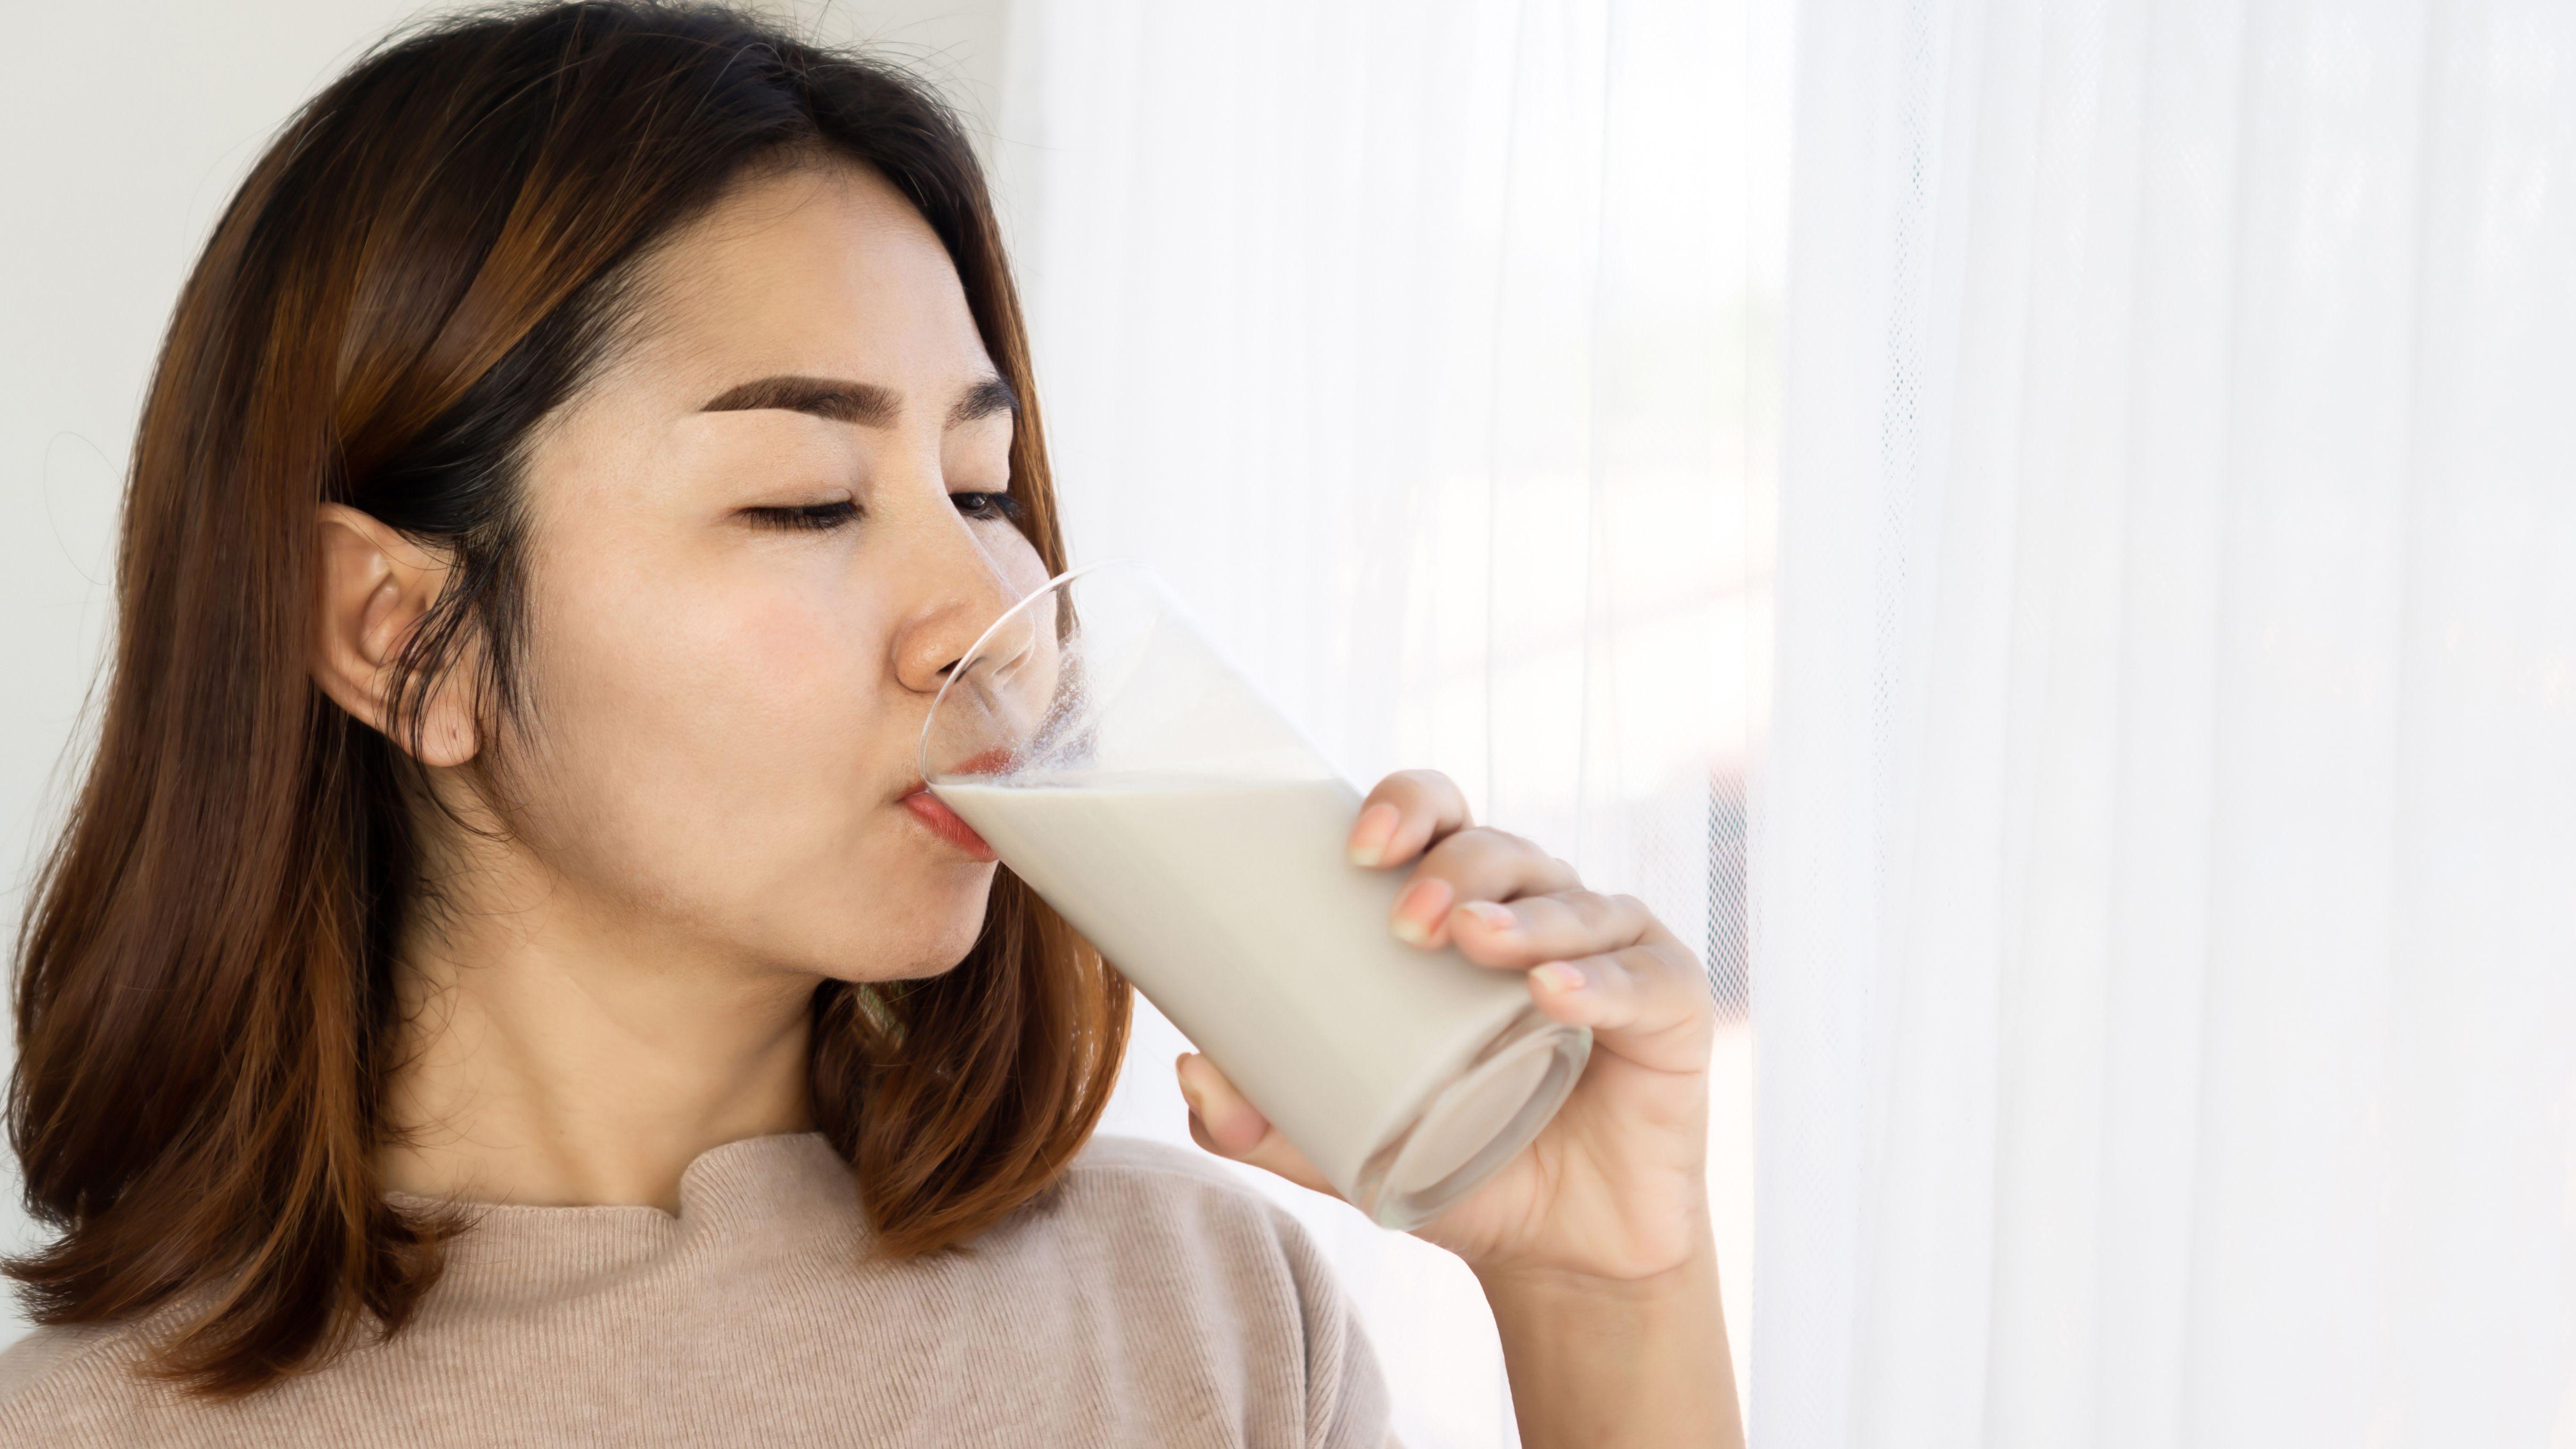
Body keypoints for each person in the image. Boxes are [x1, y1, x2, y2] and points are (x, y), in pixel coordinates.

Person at [0, 4, 1740, 1444]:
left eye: (983, 482)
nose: (978, 616)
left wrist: (1607, 1295)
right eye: (808, 500)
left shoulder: (1204, 1330)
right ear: (398, 637)